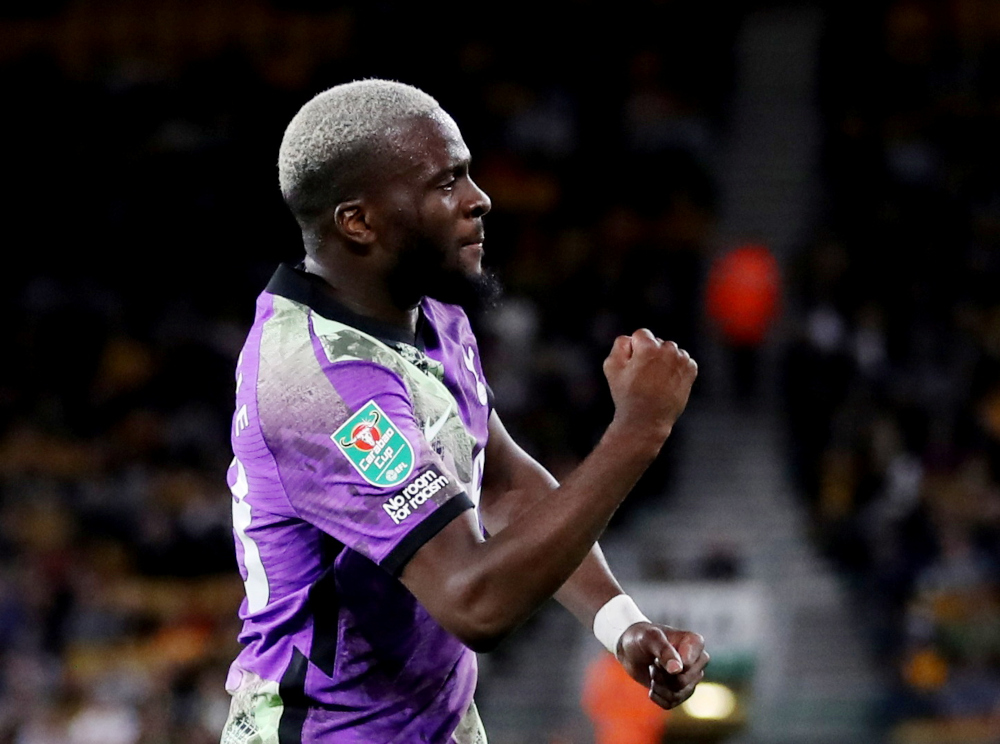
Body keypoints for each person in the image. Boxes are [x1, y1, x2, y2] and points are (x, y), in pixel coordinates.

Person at [220, 79, 707, 744]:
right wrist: (639, 431)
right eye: (446, 182)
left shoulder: (429, 312)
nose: (479, 199)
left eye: (468, 173)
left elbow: (501, 480)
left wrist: (619, 622)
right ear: (358, 221)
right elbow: (475, 602)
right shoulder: (316, 382)